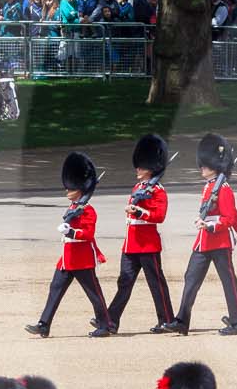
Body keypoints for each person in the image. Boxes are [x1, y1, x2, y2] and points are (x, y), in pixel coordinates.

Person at [166, 134, 237, 335]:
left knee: (228, 281)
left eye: (206, 164)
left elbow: (229, 216)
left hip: (220, 241)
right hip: (203, 243)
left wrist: (211, 225)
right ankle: (182, 320)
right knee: (191, 279)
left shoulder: (224, 189)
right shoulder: (210, 187)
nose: (202, 167)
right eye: (202, 164)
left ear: (216, 165)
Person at [27, 153, 113, 338]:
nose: (67, 191)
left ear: (80, 189)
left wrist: (71, 232)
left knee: (94, 294)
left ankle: (105, 325)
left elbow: (88, 234)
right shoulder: (74, 208)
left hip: (81, 259)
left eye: (70, 188)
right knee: (55, 290)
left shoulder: (87, 210)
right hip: (67, 258)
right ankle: (44, 324)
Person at [107, 134, 176, 332]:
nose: (138, 169)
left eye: (142, 166)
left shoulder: (158, 191)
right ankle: (111, 321)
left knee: (156, 283)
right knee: (124, 282)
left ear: (152, 167)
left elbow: (159, 216)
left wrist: (139, 211)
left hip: (147, 244)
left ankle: (167, 319)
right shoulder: (137, 187)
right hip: (131, 243)